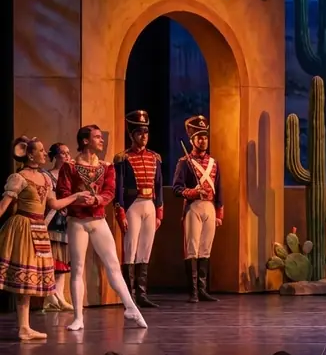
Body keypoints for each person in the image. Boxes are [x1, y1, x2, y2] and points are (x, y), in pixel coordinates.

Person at [57, 125, 147, 331]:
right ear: (85, 141)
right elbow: (63, 194)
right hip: (77, 221)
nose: (101, 140)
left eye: (101, 137)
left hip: (98, 220)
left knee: (113, 265)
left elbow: (110, 191)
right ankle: (78, 317)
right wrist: (80, 200)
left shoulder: (107, 167)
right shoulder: (69, 167)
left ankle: (130, 306)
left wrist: (96, 199)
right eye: (97, 137)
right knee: (78, 268)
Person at [0, 137, 90, 340]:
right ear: (30, 155)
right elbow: (4, 206)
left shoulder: (46, 178)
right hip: (23, 227)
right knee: (22, 278)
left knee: (29, 281)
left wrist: (76, 196)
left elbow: (55, 204)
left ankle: (25, 327)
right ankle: (23, 327)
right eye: (40, 150)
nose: (44, 154)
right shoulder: (19, 177)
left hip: (39, 228)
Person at [113, 110, 163, 309]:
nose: (144, 136)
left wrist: (159, 210)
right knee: (130, 247)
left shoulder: (155, 157)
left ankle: (142, 293)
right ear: (132, 135)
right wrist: (120, 211)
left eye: (146, 132)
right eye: (140, 132)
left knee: (145, 248)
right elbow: (119, 187)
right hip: (132, 204)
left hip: (149, 204)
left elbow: (158, 185)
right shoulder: (122, 158)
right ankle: (129, 295)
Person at [172, 115, 222, 303]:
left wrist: (219, 213)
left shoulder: (213, 163)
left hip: (209, 207)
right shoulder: (184, 162)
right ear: (192, 140)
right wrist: (192, 192)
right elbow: (177, 188)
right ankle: (193, 292)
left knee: (206, 249)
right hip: (193, 207)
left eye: (205, 137)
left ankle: (203, 290)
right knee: (192, 249)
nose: (203, 140)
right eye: (199, 137)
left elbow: (220, 190)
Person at [42, 142, 73, 312]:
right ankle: (50, 297)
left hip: (65, 222)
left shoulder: (70, 176)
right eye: (63, 153)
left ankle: (59, 295)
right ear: (54, 156)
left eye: (68, 153)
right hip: (50, 221)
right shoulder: (47, 176)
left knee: (62, 262)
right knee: (50, 261)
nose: (67, 156)